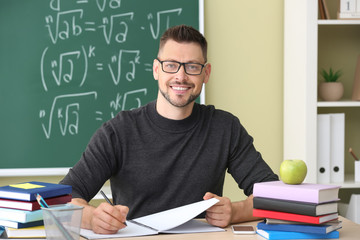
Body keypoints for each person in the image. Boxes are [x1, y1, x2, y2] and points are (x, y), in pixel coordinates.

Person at [60, 24, 278, 234]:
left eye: (192, 66)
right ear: (157, 69)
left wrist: (235, 212)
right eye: (171, 65)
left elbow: (276, 195)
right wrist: (91, 218)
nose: (181, 76)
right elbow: (63, 199)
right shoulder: (118, 132)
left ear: (206, 73)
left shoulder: (225, 128)